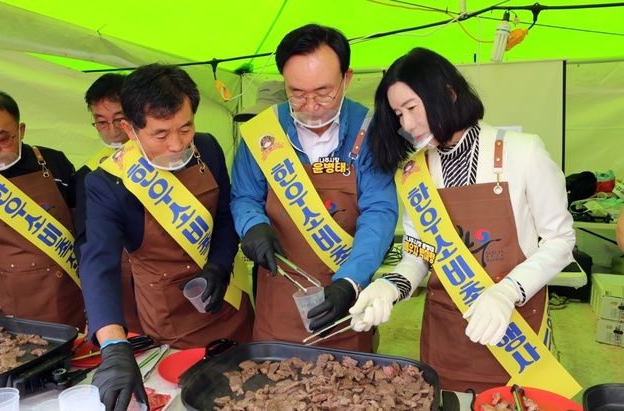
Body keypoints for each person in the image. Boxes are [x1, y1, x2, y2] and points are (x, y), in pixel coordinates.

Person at [349, 48, 575, 391]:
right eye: (398, 114)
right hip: (446, 332)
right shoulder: (414, 173)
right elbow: (419, 255)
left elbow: (560, 240)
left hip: (515, 328)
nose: (406, 124)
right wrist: (391, 286)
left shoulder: (523, 152)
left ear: (448, 93)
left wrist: (507, 293)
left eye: (412, 107)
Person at [79, 64, 253, 411]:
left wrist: (219, 265)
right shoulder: (109, 183)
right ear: (130, 129)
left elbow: (222, 216)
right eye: (160, 134)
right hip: (173, 318)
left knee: (249, 388)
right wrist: (113, 346)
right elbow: (99, 262)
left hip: (229, 301)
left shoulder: (207, 148)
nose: (177, 144)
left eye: (185, 128)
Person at [231, 24, 398, 352]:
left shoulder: (371, 131)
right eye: (297, 93)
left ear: (346, 79)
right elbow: (244, 197)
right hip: (279, 297)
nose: (310, 105)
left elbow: (379, 211)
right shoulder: (263, 132)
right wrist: (252, 225)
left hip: (347, 297)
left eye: (323, 92)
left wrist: (350, 281)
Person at [0, 90, 85, 329]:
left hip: (67, 287)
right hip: (12, 300)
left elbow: (81, 223)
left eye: (2, 138)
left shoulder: (54, 161)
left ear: (21, 130)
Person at [74, 73, 143, 334]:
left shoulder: (165, 155)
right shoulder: (90, 172)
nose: (112, 131)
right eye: (101, 122)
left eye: (119, 119)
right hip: (121, 276)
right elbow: (85, 239)